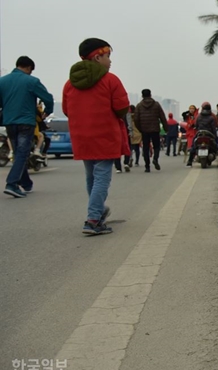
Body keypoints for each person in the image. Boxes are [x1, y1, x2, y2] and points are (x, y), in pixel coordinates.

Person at [62, 38, 129, 234]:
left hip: (82, 137)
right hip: (105, 137)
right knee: (102, 178)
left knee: (91, 177)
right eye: (108, 56)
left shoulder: (69, 84)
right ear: (97, 56)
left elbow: (67, 110)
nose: (110, 61)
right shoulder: (110, 80)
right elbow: (121, 108)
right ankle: (92, 219)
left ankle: (98, 211)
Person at [0, 56, 54, 197]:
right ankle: (12, 184)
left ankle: (26, 183)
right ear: (29, 68)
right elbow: (48, 98)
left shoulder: (2, 81)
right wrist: (47, 111)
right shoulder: (32, 81)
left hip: (9, 122)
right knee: (22, 153)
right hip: (25, 122)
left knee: (19, 153)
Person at [134, 89, 167, 172]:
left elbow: (136, 119)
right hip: (155, 129)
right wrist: (166, 128)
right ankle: (155, 158)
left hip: (144, 130)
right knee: (156, 146)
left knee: (145, 148)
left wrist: (140, 129)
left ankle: (147, 166)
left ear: (142, 96)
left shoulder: (139, 106)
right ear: (150, 95)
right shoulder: (156, 105)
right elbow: (162, 117)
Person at [186, 102, 218, 167]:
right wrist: (215, 136)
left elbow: (196, 124)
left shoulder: (198, 116)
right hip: (209, 134)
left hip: (200, 133)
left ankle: (189, 161)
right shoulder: (212, 117)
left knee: (193, 146)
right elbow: (214, 128)